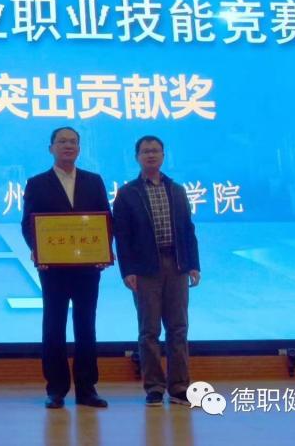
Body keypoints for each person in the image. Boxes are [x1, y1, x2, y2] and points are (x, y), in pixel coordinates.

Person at [21, 127, 111, 409]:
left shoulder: (94, 181)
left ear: (79, 148)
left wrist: (104, 251)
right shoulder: (37, 183)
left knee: (86, 326)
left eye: (73, 142)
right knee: (54, 325)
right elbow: (28, 224)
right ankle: (56, 389)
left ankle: (87, 389)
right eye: (62, 141)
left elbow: (105, 220)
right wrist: (39, 250)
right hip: (53, 268)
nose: (68, 146)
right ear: (51, 148)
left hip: (87, 267)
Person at [112, 135, 201, 407]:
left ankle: (179, 388)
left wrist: (193, 264)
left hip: (177, 265)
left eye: (155, 151)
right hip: (145, 268)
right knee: (149, 331)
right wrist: (127, 270)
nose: (151, 155)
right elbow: (122, 236)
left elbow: (188, 230)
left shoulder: (177, 190)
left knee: (178, 328)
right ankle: (153, 388)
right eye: (145, 151)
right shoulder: (127, 193)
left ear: (163, 155)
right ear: (137, 157)